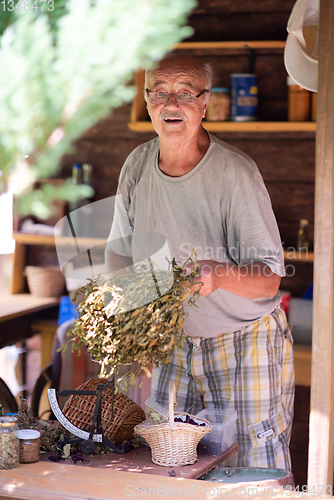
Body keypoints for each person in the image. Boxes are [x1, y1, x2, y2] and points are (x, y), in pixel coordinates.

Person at [105, 54, 294, 469]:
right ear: (148, 100)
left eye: (186, 93)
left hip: (244, 340)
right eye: (161, 92)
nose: (172, 104)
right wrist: (130, 321)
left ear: (205, 103)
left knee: (250, 466)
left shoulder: (235, 174)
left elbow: (269, 281)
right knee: (171, 462)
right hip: (174, 339)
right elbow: (119, 250)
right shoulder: (137, 164)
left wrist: (220, 275)